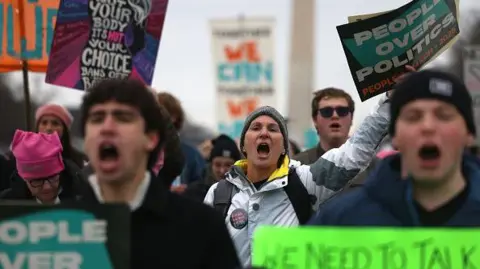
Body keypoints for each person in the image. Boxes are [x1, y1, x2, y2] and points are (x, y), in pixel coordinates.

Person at [204, 92, 390, 266]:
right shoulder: (219, 194)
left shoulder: (304, 182)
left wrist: (390, 100)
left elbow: (353, 153)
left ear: (284, 147)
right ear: (244, 145)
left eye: (273, 129)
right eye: (256, 127)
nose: (264, 133)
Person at [77, 78, 240, 269]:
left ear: (151, 138)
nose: (107, 127)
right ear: (86, 139)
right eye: (97, 118)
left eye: (123, 118)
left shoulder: (201, 227)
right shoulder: (53, 229)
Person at [308, 70, 480, 226]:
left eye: (444, 116)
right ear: (395, 136)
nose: (428, 126)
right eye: (413, 117)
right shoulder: (339, 221)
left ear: (470, 134)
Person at [0, 130, 82, 203]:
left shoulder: (81, 198)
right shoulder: (6, 203)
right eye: (37, 180)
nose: (47, 187)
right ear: (24, 179)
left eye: (52, 177)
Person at [157, 92, 207, 189]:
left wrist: (186, 190)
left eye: (162, 112)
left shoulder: (192, 155)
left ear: (174, 117)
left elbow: (201, 187)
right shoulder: (145, 150)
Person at [293, 88, 354, 165]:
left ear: (351, 118)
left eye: (342, 111)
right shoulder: (296, 166)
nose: (335, 116)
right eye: (326, 111)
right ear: (315, 120)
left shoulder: (370, 167)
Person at [184, 134, 242, 202]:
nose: (222, 170)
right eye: (217, 165)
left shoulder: (244, 192)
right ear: (210, 165)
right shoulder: (194, 192)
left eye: (228, 165)